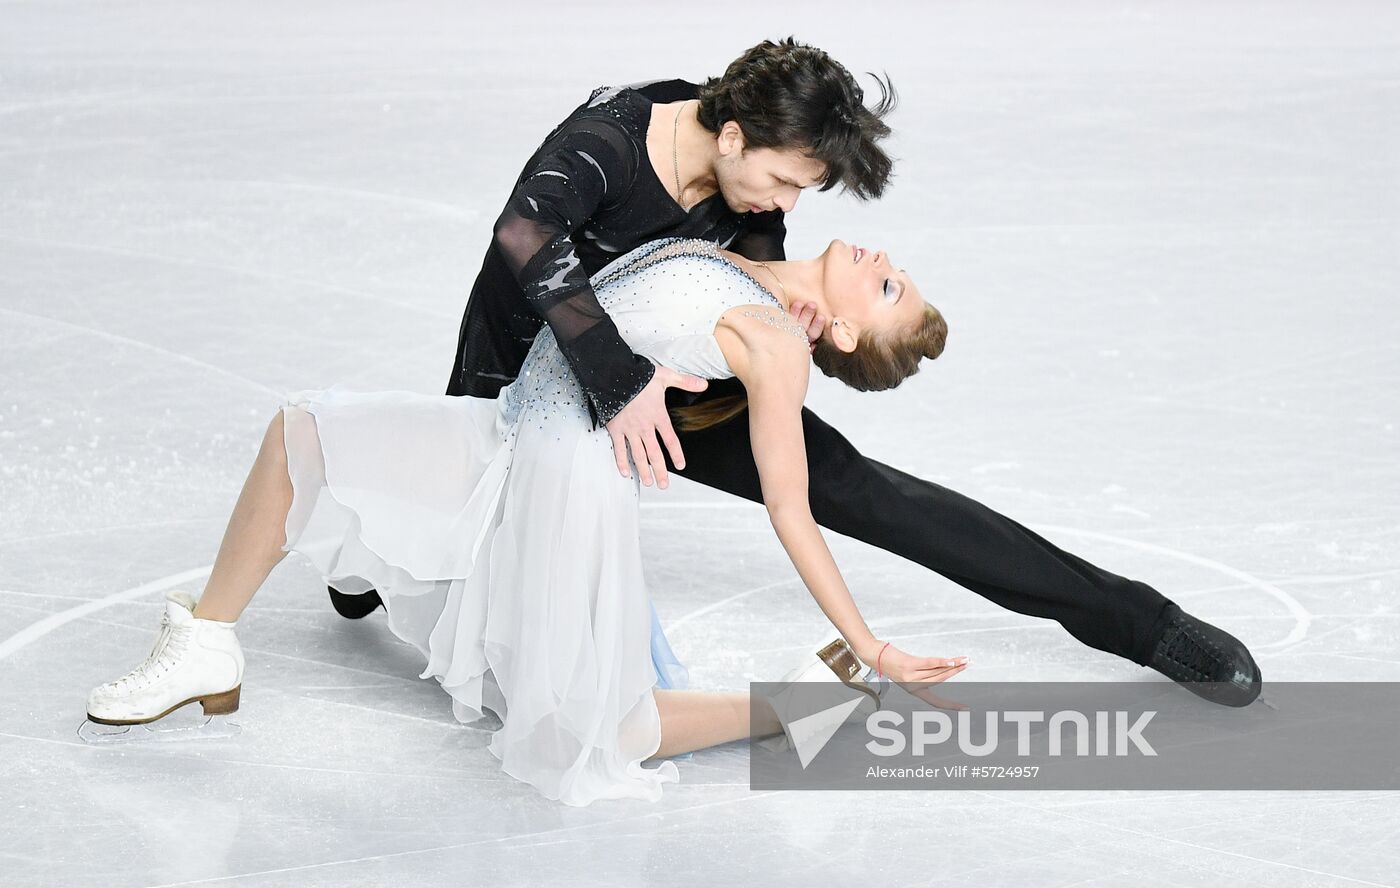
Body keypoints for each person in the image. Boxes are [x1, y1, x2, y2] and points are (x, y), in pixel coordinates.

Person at [331, 37, 1260, 706]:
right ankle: (373, 552)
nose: (786, 203)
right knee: (438, 538)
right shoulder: (608, 141)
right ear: (731, 135)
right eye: (783, 184)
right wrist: (617, 385)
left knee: (880, 497)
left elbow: (745, 255)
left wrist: (787, 296)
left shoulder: (755, 155)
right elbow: (526, 238)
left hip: (695, 388)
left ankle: (1145, 624)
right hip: (541, 378)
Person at [86, 235, 961, 806]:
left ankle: (792, 708)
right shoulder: (753, 259)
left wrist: (869, 642)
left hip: (568, 475)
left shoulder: (777, 345)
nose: (885, 257)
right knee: (304, 431)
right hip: (510, 427)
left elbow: (792, 508)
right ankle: (208, 643)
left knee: (590, 733)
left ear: (843, 334)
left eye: (889, 287)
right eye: (898, 271)